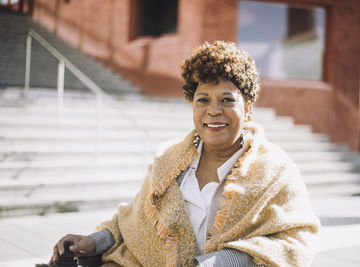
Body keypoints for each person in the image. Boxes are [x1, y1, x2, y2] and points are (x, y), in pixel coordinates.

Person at [49, 41, 320, 267]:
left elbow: (296, 243)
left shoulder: (276, 170)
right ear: (192, 105)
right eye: (203, 99)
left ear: (247, 107)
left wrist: (221, 261)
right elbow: (132, 222)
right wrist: (93, 241)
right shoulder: (168, 162)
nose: (214, 110)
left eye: (227, 99)